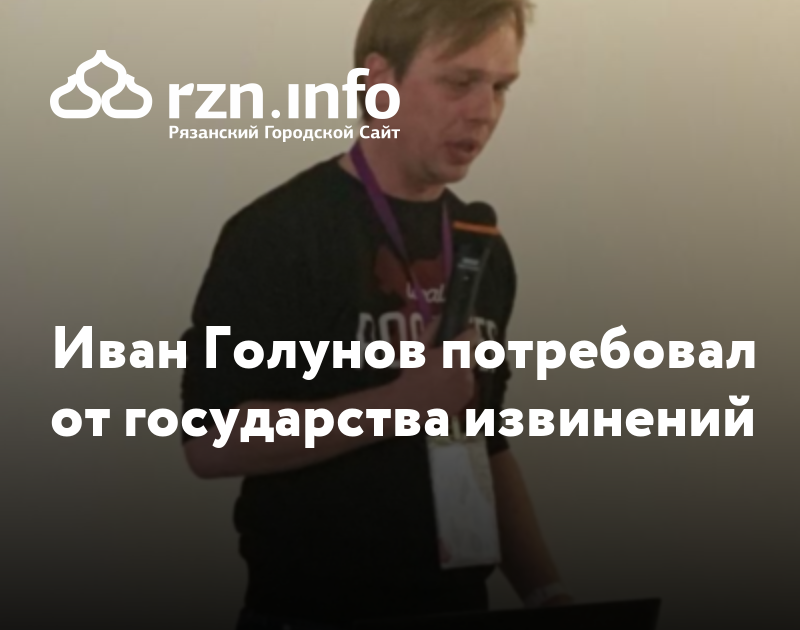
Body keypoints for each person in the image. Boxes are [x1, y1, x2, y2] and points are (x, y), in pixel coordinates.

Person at [178, 1, 570, 627]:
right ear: (379, 81)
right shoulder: (281, 233)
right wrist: (401, 403)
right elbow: (211, 442)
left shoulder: (481, 247)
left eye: (501, 87)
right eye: (460, 82)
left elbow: (486, 442)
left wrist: (547, 594)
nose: (484, 111)